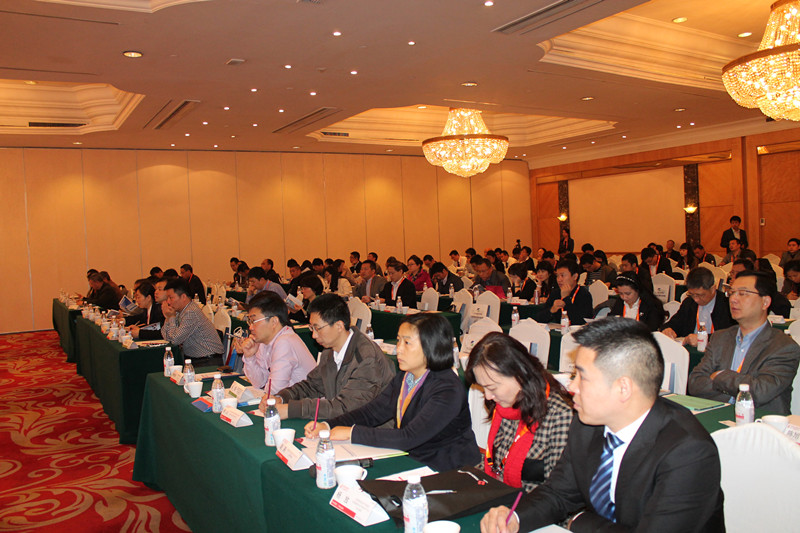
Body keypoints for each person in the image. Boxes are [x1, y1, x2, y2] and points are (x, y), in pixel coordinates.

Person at [480, 318, 725, 533]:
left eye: (582, 377)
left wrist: (579, 521)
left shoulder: (688, 452)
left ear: (623, 388)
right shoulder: (588, 425)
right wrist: (515, 517)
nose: (571, 387)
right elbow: (559, 493)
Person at [306, 314, 479, 471]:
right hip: (414, 460)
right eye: (398, 341)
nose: (399, 349)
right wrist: (328, 425)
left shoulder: (447, 388)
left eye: (407, 342)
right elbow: (373, 412)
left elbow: (408, 437)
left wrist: (351, 433)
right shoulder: (406, 376)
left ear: (431, 346)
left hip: (448, 469)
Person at [466, 333, 573, 492]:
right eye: (483, 388)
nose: (488, 396)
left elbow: (558, 492)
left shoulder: (559, 416)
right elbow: (495, 464)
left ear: (520, 375)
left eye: (492, 387)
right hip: (498, 494)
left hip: (530, 503)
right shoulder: (504, 406)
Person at [688, 271, 800, 414]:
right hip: (718, 416)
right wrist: (736, 388)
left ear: (765, 302)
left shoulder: (784, 346)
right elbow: (695, 383)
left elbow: (759, 392)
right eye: (732, 293)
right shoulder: (720, 338)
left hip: (760, 422)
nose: (733, 299)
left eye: (742, 293)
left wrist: (720, 376)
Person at [271, 294, 396, 419]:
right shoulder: (329, 351)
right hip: (344, 423)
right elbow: (312, 386)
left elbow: (346, 407)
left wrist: (292, 409)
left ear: (339, 326)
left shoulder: (366, 358)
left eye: (318, 328)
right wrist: (282, 397)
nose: (314, 335)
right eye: (311, 328)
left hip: (372, 427)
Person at [237, 292, 316, 395]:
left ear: (274, 322)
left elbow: (276, 391)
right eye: (250, 321)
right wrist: (250, 356)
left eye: (254, 321)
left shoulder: (285, 342)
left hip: (307, 403)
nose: (251, 327)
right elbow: (259, 383)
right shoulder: (265, 341)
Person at [661, 267, 733, 347]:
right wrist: (668, 329)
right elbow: (675, 323)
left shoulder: (727, 304)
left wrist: (705, 338)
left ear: (713, 289)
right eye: (692, 294)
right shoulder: (689, 302)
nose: (696, 299)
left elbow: (731, 334)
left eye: (700, 295)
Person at [161, 278, 224, 365]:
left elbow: (175, 340)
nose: (168, 302)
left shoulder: (191, 312)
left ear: (183, 297)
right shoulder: (180, 311)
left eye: (171, 298)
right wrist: (168, 317)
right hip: (197, 359)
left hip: (208, 360)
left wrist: (171, 317)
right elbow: (167, 337)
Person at [536, 260, 593, 325]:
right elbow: (539, 318)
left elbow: (581, 322)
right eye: (557, 276)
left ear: (575, 276)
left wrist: (566, 298)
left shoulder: (584, 294)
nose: (559, 279)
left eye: (562, 275)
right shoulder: (556, 293)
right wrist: (552, 310)